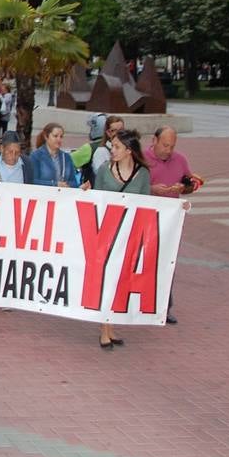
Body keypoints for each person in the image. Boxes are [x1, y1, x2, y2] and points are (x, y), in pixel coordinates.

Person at [90, 130, 151, 350]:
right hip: (107, 233)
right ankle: (104, 328)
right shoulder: (104, 170)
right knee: (107, 279)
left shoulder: (142, 174)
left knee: (120, 280)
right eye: (112, 146)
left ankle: (110, 325)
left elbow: (148, 204)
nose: (112, 150)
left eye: (117, 147)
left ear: (129, 151)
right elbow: (96, 200)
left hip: (129, 234)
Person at [142, 126, 194, 324]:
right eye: (165, 145)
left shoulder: (180, 160)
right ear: (154, 140)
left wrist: (184, 187)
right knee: (144, 261)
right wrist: (152, 189)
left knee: (167, 262)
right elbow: (133, 188)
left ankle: (164, 306)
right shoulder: (142, 159)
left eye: (172, 146)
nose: (168, 150)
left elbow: (190, 183)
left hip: (170, 222)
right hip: (146, 219)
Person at [30, 123, 81, 189]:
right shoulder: (36, 156)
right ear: (46, 137)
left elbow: (73, 182)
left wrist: (80, 187)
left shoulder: (66, 157)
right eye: (55, 136)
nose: (59, 139)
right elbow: (33, 181)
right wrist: (55, 184)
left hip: (63, 194)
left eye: (61, 137)